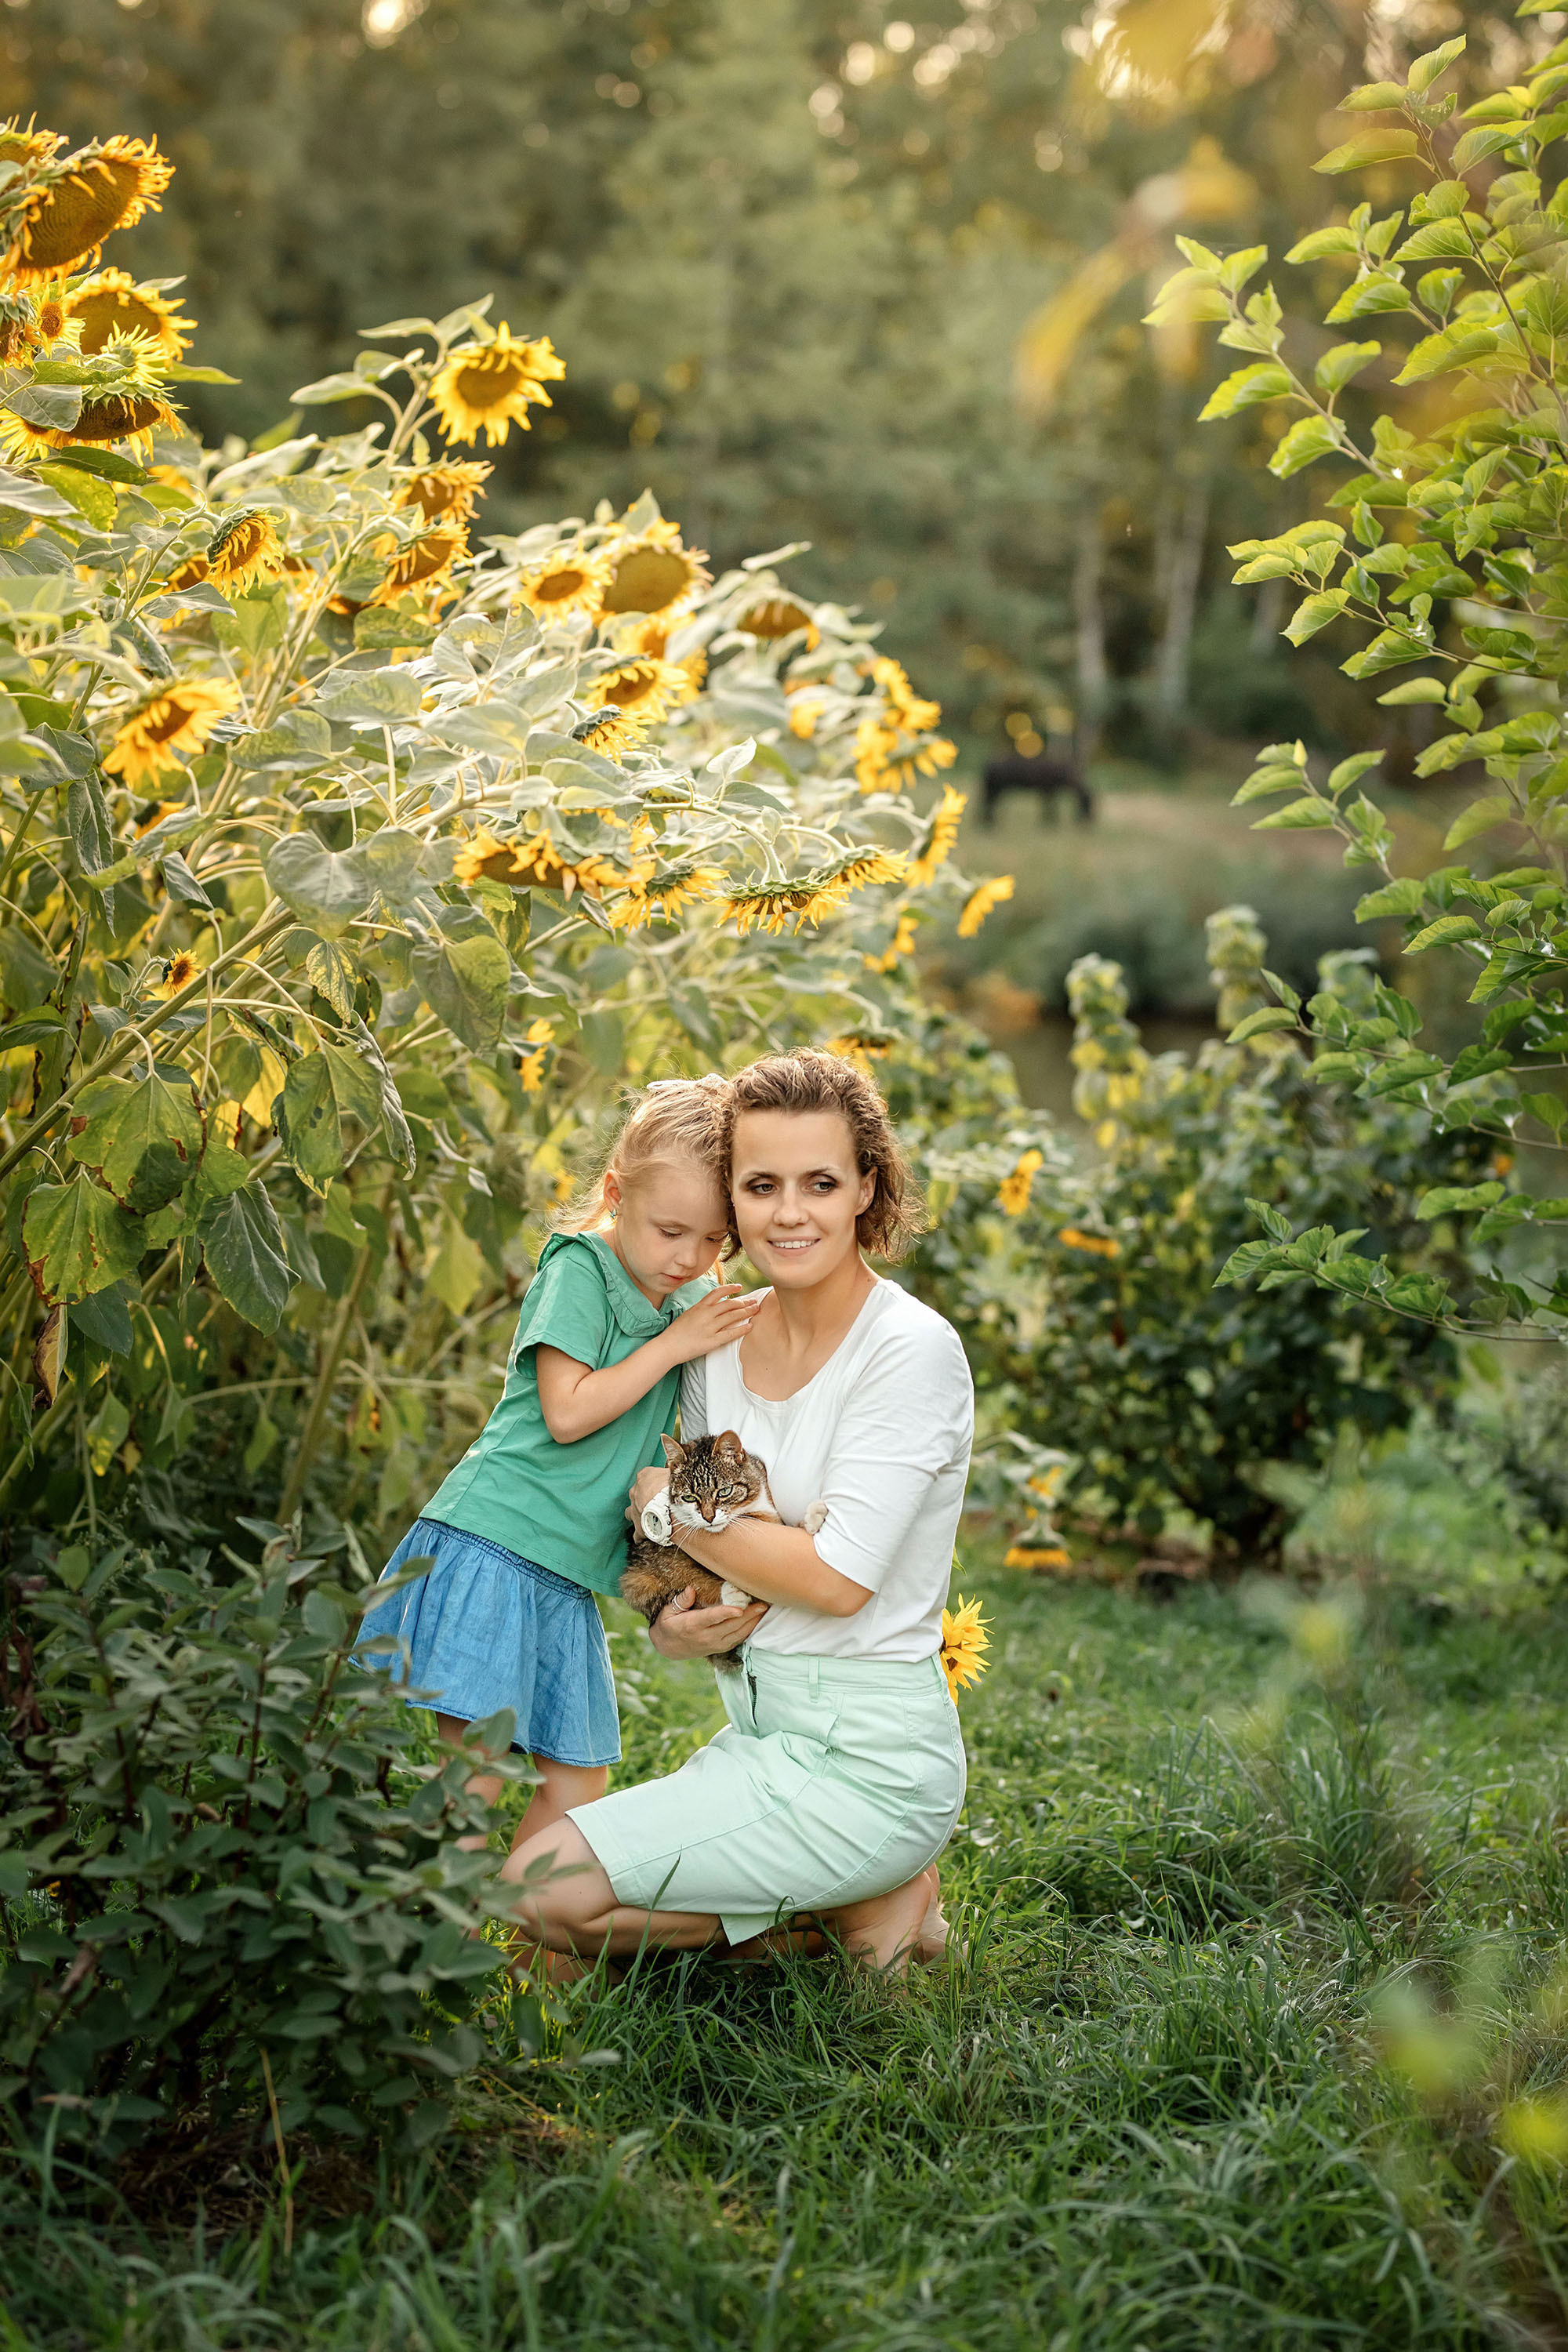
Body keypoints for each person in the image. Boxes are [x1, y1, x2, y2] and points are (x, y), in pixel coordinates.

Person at [500, 1048, 975, 1972]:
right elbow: (721, 1568)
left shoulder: (906, 1352)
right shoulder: (721, 1339)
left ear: (864, 1189)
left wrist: (673, 1509)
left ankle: (859, 1899)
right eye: (760, 1185)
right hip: (760, 1737)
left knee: (538, 1897)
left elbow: (833, 1581)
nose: (788, 1213)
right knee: (544, 1945)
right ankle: (842, 1915)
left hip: (870, 1762)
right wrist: (677, 1623)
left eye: (820, 1182)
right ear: (733, 1199)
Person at [358, 1077, 764, 1861]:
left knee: (579, 1776)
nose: (687, 1258)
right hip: (497, 1540)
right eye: (669, 1230)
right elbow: (567, 1410)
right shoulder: (581, 1268)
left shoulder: (684, 1296)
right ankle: (416, 1949)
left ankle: (509, 1933)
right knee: (470, 1773)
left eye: (712, 1240)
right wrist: (676, 1344)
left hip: (563, 1572)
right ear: (614, 1193)